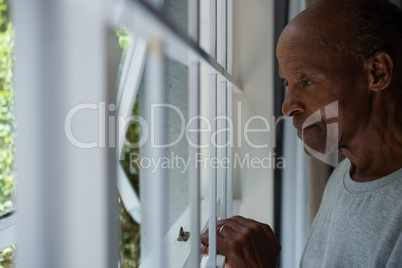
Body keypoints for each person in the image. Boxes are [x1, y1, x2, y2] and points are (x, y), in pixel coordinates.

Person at [201, 0, 402, 267]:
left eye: (306, 81)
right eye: (287, 83)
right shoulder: (345, 176)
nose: (287, 107)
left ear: (377, 72)